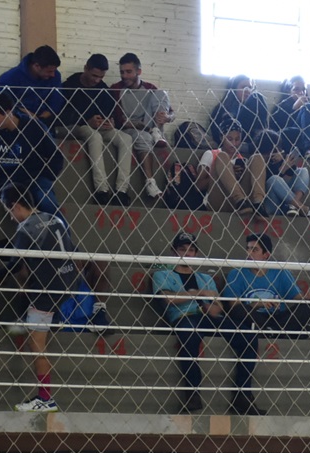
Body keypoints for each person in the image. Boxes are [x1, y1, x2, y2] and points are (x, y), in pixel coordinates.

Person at [0, 186, 84, 412]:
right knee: (30, 292)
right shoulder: (54, 218)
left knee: (36, 344)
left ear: (15, 206)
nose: (11, 217)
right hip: (69, 280)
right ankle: (32, 319)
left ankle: (45, 399)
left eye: (9, 211)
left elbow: (15, 264)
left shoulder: (26, 228)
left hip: (48, 288)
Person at [151, 230, 259, 415]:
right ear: (173, 251)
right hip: (185, 317)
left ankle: (243, 395)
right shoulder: (162, 274)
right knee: (189, 333)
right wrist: (198, 294)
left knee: (248, 336)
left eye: (191, 250)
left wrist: (212, 306)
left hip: (209, 318)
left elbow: (218, 307)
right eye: (182, 249)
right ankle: (192, 394)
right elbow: (168, 299)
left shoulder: (205, 278)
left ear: (196, 253)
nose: (187, 254)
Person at [220, 232, 310, 414]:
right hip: (252, 316)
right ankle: (289, 331)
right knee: (238, 311)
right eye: (248, 249)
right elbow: (232, 304)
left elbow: (297, 299)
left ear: (266, 254)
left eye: (255, 250)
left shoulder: (279, 271)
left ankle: (273, 330)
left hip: (277, 318)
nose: (249, 253)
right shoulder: (237, 273)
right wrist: (257, 303)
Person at [0, 91, 64, 218]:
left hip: (33, 179)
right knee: (16, 207)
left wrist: (46, 177)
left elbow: (55, 156)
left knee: (47, 204)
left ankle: (60, 230)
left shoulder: (33, 127)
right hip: (5, 182)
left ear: (9, 112)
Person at [60, 54, 131, 205]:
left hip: (100, 127)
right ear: (86, 68)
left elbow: (111, 112)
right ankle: (102, 190)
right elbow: (62, 115)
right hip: (78, 127)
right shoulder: (69, 86)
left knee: (126, 138)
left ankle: (122, 191)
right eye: (94, 75)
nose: (97, 80)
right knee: (94, 137)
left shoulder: (103, 89)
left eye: (101, 77)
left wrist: (110, 122)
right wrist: (86, 120)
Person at [110, 53, 173, 200]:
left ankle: (156, 131)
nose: (124, 76)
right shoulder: (116, 89)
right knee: (144, 137)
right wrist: (132, 124)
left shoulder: (149, 88)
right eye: (122, 72)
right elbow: (117, 120)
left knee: (161, 93)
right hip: (129, 129)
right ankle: (150, 182)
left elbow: (172, 113)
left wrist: (167, 118)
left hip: (150, 124)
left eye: (128, 72)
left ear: (139, 71)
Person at [0, 46, 63, 125]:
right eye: (49, 71)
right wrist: (28, 115)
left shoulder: (55, 76)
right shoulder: (10, 78)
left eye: (54, 71)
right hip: (16, 120)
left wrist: (41, 119)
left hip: (44, 119)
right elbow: (4, 103)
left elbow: (56, 101)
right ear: (37, 66)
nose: (53, 75)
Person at [210, 76, 274, 155]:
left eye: (250, 87)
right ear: (234, 88)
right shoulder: (223, 108)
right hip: (234, 140)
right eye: (243, 87)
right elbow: (217, 135)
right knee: (257, 97)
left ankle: (263, 142)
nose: (247, 90)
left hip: (251, 139)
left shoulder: (251, 109)